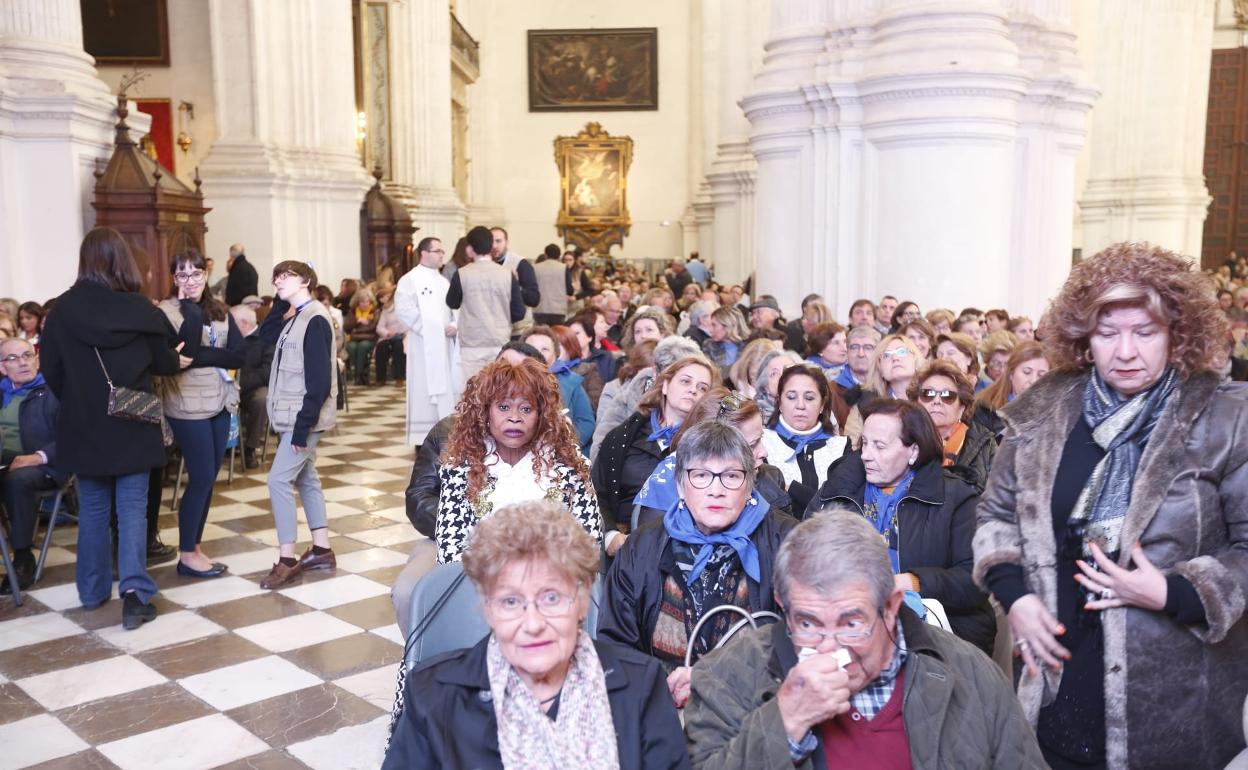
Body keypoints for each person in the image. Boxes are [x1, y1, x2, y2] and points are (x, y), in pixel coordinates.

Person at [974, 242, 1248, 770]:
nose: (1125, 351)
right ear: (1084, 338)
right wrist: (1017, 599)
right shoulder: (1044, 411)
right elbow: (997, 517)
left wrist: (1171, 590)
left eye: (1145, 332)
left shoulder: (1225, 420)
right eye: (1107, 333)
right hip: (1056, 679)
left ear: (1177, 335)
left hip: (1175, 701)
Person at [683, 509, 1046, 769]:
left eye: (851, 623)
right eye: (807, 623)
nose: (828, 648)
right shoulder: (726, 677)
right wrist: (785, 723)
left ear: (890, 607)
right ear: (783, 606)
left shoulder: (971, 674)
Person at [383, 502, 690, 770]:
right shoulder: (433, 696)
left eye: (551, 598)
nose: (533, 623)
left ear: (582, 600)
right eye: (511, 601)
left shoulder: (640, 686)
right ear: (488, 609)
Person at [40, 227, 183, 628]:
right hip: (132, 419)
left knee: (94, 510)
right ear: (122, 261)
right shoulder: (140, 309)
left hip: (83, 422)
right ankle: (136, 594)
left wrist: (81, 397)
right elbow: (165, 363)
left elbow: (50, 369)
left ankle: (91, 590)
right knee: (133, 510)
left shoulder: (63, 310)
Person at [598, 422, 798, 707]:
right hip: (663, 707)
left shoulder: (786, 541)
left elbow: (804, 639)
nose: (716, 490)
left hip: (758, 708)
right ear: (680, 484)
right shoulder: (642, 547)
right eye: (701, 475)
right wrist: (657, 689)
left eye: (731, 476)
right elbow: (616, 645)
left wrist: (715, 679)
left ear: (749, 484)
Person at [808, 399, 995, 653]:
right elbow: (805, 558)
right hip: (844, 625)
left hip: (934, 635)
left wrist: (911, 582)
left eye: (880, 446)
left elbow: (975, 579)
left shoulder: (955, 498)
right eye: (864, 443)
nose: (866, 455)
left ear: (913, 451)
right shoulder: (839, 490)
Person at [435, 358, 601, 563]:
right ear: (485, 412)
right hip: (478, 584)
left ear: (542, 416)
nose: (514, 418)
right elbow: (450, 551)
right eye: (504, 407)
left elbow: (588, 542)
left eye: (526, 409)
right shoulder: (461, 468)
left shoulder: (568, 465)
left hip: (554, 582)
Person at [157, 249, 245, 578]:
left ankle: (194, 546)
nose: (190, 281)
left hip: (220, 401)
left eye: (196, 274)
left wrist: (205, 356)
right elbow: (184, 355)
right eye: (182, 275)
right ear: (174, 278)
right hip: (185, 404)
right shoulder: (166, 312)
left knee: (209, 479)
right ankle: (186, 553)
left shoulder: (220, 309)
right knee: (201, 477)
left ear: (206, 275)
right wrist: (191, 316)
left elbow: (238, 356)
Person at [255, 260, 338, 589]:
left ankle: (287, 559)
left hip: (303, 418)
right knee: (307, 479)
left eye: (285, 276)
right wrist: (279, 301)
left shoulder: (315, 319)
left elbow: (318, 382)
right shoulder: (297, 316)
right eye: (275, 276)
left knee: (277, 480)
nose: (277, 280)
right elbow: (265, 336)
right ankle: (321, 550)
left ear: (306, 281)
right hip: (293, 415)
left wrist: (302, 429)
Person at [592, 355, 718, 555]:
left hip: (686, 545)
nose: (693, 389)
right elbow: (597, 491)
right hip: (625, 544)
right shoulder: (623, 436)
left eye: (703, 387)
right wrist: (610, 535)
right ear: (665, 386)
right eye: (685, 381)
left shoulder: (710, 444)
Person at [0, 337, 63, 592]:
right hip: (4, 463)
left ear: (37, 358)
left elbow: (73, 436)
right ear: (3, 367)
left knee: (18, 480)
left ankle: (23, 555)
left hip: (44, 464)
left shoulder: (54, 391)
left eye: (27, 355)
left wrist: (38, 456)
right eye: (13, 358)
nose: (23, 363)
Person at [393, 236, 463, 446]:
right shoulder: (410, 279)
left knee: (446, 388)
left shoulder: (443, 281)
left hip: (445, 344)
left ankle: (444, 434)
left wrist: (454, 324)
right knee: (422, 388)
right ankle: (422, 439)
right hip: (423, 345)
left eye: (442, 251)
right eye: (437, 251)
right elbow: (404, 309)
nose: (442, 255)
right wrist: (431, 329)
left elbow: (455, 308)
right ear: (423, 253)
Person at [761, 363, 848, 512]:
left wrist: (790, 488)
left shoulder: (841, 447)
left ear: (822, 404)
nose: (800, 405)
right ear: (779, 403)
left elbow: (840, 506)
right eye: (791, 397)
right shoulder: (761, 443)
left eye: (809, 398)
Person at [447, 226, 525, 377]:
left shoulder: (462, 274)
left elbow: (452, 303)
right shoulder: (507, 274)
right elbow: (519, 312)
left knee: (474, 392)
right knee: (499, 392)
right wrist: (502, 318)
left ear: (470, 249)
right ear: (491, 247)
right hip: (500, 342)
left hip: (472, 344)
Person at [909, 359, 996, 491]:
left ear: (962, 407)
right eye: (928, 394)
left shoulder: (986, 444)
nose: (937, 401)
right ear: (916, 402)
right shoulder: (902, 439)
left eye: (947, 395)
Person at [523, 325, 595, 452]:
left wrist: (566, 443)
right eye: (531, 348)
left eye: (545, 349)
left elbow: (586, 422)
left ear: (555, 354)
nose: (537, 353)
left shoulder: (571, 381)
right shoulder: (509, 382)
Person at [970, 340, 1049, 440]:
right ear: (1011, 374)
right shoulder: (984, 409)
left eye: (1041, 375)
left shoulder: (1055, 413)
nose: (1033, 381)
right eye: (1027, 372)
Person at [230, 304, 273, 469]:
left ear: (244, 323)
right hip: (229, 385)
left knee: (262, 399)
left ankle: (250, 448)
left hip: (253, 387)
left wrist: (240, 384)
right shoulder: (229, 338)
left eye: (231, 323)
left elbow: (267, 372)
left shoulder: (267, 339)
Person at [491, 226, 540, 333]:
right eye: (491, 241)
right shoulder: (485, 264)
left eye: (498, 241)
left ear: (507, 242)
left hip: (519, 331)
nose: (494, 245)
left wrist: (515, 286)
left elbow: (534, 299)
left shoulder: (521, 264)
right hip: (494, 330)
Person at [344, 287, 379, 385]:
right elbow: (347, 327)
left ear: (370, 301)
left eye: (367, 301)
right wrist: (357, 321)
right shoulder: (353, 311)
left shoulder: (375, 312)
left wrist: (356, 330)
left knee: (363, 346)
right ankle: (357, 373)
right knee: (352, 346)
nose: (364, 304)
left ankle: (360, 374)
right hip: (355, 339)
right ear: (357, 302)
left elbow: (373, 328)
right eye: (362, 302)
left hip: (370, 339)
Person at [533, 243, 574, 326]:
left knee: (541, 335)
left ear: (546, 255)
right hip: (558, 310)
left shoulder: (535, 267)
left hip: (540, 308)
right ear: (559, 256)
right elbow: (570, 291)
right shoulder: (563, 267)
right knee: (556, 335)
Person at [373, 288, 407, 385]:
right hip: (388, 336)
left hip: (403, 336)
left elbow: (409, 326)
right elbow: (379, 327)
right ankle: (380, 378)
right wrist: (387, 333)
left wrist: (400, 332)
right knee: (381, 346)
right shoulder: (387, 310)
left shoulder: (406, 309)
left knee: (399, 347)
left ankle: (399, 378)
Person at [702, 306, 747, 377]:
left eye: (714, 325)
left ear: (728, 326)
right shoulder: (709, 345)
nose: (710, 330)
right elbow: (712, 374)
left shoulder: (749, 346)